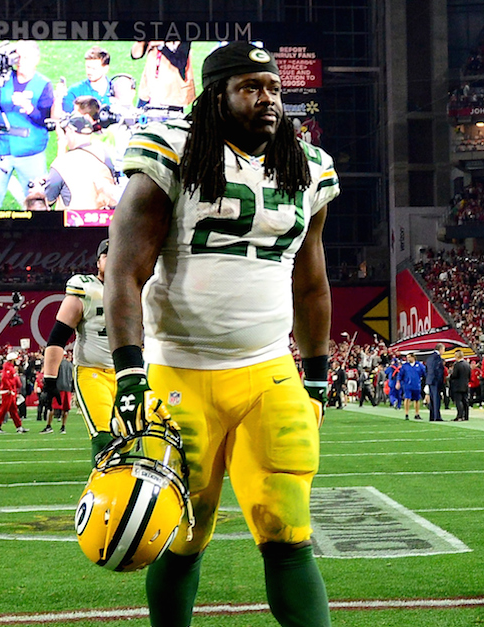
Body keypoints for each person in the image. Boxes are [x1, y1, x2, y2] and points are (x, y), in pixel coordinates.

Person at [104, 41, 339, 627]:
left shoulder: (308, 166)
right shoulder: (171, 153)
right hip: (182, 368)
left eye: (274, 89)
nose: (268, 101)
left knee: (288, 527)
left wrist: (316, 376)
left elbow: (312, 284)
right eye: (250, 88)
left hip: (268, 370)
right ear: (215, 97)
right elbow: (125, 270)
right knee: (182, 532)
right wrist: (130, 370)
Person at [41, 238, 114, 458]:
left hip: (128, 372)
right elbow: (58, 337)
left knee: (131, 437)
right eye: (107, 255)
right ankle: (103, 488)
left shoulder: (138, 286)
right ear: (98, 262)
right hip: (94, 372)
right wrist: (49, 380)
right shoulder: (86, 289)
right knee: (104, 437)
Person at [0, 41, 54, 210]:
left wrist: (29, 108)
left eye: (25, 57)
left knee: (36, 200)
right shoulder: (4, 79)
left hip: (30, 151)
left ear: (36, 59)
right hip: (1, 149)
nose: (20, 61)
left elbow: (46, 119)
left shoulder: (43, 84)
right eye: (17, 57)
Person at [24, 97, 121, 211]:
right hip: (101, 221)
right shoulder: (104, 153)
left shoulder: (62, 163)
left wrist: (37, 191)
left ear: (70, 132)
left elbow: (48, 198)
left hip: (73, 223)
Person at [130, 41, 195, 119]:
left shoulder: (182, 37)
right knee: (141, 125)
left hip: (172, 96)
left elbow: (180, 62)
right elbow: (135, 55)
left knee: (170, 127)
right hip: (149, 92)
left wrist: (162, 46)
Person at [62, 46, 111, 113]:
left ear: (105, 69)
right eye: (88, 67)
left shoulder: (116, 89)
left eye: (94, 68)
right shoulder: (74, 91)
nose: (89, 72)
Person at [0, 353, 26, 433]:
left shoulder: (10, 367)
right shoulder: (7, 368)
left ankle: (19, 427)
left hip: (11, 391)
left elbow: (14, 379)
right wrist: (10, 389)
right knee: (4, 410)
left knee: (14, 410)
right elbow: (5, 379)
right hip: (7, 392)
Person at [46, 352, 74, 435]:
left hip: (58, 388)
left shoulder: (56, 364)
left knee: (52, 408)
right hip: (67, 388)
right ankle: (63, 427)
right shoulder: (70, 364)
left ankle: (49, 426)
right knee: (66, 409)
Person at [398, 352, 425, 420]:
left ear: (413, 357)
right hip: (407, 385)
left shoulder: (419, 365)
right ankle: (406, 413)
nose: (408, 359)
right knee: (407, 398)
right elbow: (400, 374)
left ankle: (417, 413)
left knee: (417, 399)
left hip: (416, 385)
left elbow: (424, 373)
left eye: (409, 357)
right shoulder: (405, 366)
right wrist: (398, 382)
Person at [425, 344, 446, 422]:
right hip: (436, 380)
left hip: (430, 380)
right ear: (440, 349)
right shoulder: (437, 358)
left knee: (432, 399)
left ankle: (432, 415)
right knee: (436, 398)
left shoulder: (430, 357)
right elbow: (438, 370)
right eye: (443, 349)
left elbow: (427, 369)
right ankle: (437, 416)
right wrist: (440, 380)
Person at [449, 356, 471, 421]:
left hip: (458, 385)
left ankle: (460, 416)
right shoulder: (467, 364)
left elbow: (455, 375)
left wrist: (451, 377)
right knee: (465, 401)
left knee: (458, 401)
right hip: (465, 384)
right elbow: (470, 375)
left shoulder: (457, 365)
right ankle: (466, 416)